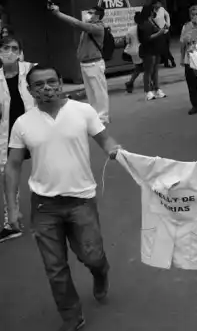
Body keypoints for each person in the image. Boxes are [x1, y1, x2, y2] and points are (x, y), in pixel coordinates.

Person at [4, 64, 122, 331]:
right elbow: (12, 166)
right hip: (44, 205)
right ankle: (72, 317)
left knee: (92, 256)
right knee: (55, 268)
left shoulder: (83, 111)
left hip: (81, 199)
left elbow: (104, 139)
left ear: (60, 82)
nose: (47, 88)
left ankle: (100, 272)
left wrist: (114, 150)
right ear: (30, 90)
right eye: (39, 85)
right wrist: (12, 208)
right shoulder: (23, 123)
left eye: (51, 82)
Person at [48, 1, 110, 123]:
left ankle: (103, 117)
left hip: (94, 64)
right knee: (91, 92)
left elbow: (75, 23)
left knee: (99, 92)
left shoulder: (97, 27)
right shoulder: (88, 27)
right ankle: (94, 115)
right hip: (85, 64)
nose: (88, 14)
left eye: (91, 13)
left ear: (97, 16)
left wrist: (58, 14)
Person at [0, 36, 34, 243]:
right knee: (8, 175)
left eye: (14, 48)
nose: (10, 52)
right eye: (5, 48)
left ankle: (61, 213)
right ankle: (9, 222)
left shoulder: (31, 71)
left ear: (21, 52)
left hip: (33, 131)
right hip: (8, 134)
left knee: (48, 169)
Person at [179, 5, 197, 115]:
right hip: (189, 59)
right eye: (193, 14)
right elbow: (182, 44)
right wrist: (182, 58)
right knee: (192, 84)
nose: (195, 16)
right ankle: (196, 105)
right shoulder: (186, 27)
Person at [137, 4, 167, 102]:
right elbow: (147, 38)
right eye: (153, 10)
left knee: (155, 71)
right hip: (148, 51)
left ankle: (157, 89)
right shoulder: (143, 24)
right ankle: (147, 91)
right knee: (148, 71)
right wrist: (160, 33)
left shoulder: (152, 21)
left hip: (156, 49)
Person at [122, 11, 144, 94]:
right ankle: (150, 84)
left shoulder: (130, 29)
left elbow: (128, 41)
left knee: (138, 68)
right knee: (147, 68)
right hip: (142, 50)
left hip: (134, 51)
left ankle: (130, 83)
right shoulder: (143, 27)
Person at [152, 0, 176, 68]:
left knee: (166, 48)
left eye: (160, 4)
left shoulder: (162, 9)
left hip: (166, 31)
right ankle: (171, 60)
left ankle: (166, 63)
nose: (159, 5)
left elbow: (167, 15)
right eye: (157, 4)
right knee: (164, 48)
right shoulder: (151, 11)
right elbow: (151, 21)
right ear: (154, 5)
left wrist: (168, 23)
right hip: (159, 33)